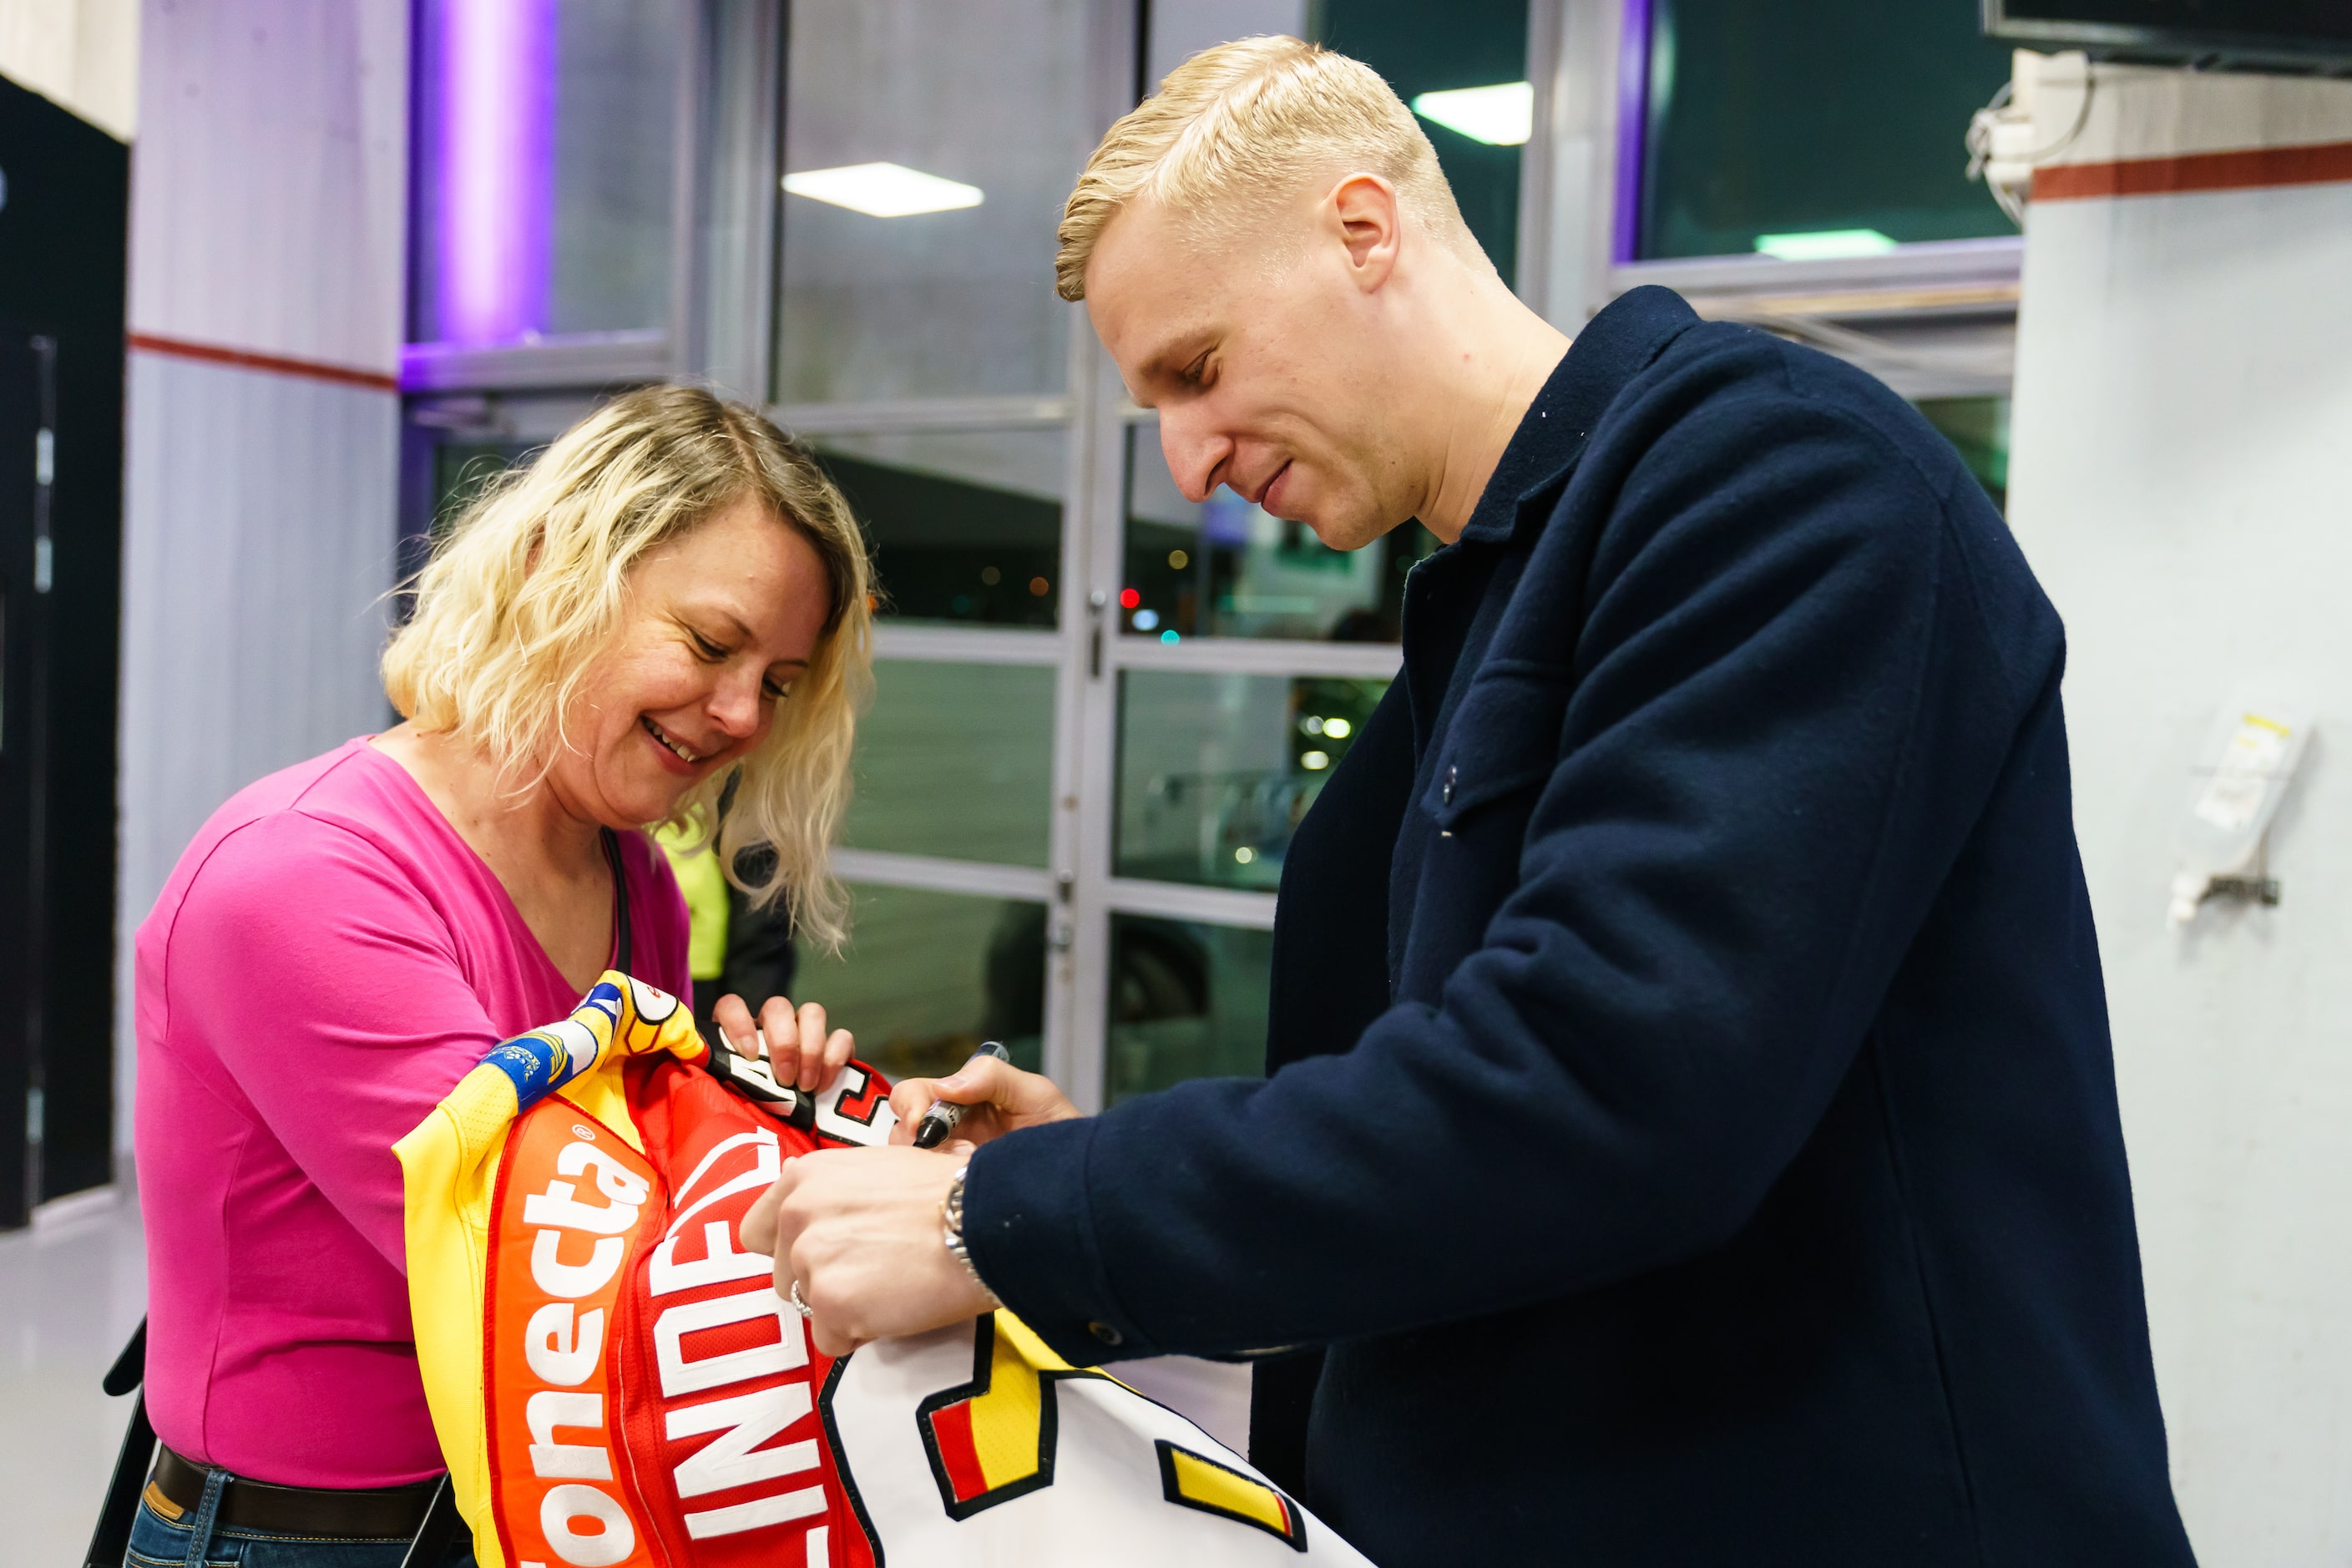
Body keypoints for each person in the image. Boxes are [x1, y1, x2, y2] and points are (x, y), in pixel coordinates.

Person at [744, 37, 2198, 1565]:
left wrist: (1018, 1220)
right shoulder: (1487, 611)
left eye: (1198, 368)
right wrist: (1084, 1159)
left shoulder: (1777, 478)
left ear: (1363, 230)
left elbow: (1606, 1082)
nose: (1184, 462)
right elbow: (1445, 1114)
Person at [131, 386, 873, 1565]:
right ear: (548, 569)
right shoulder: (306, 874)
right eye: (711, 643)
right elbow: (545, 1278)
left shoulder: (637, 882)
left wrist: (771, 1120)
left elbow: (634, 1188)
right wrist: (839, 1190)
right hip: (311, 1536)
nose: (741, 713)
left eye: (778, 681)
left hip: (541, 1503)